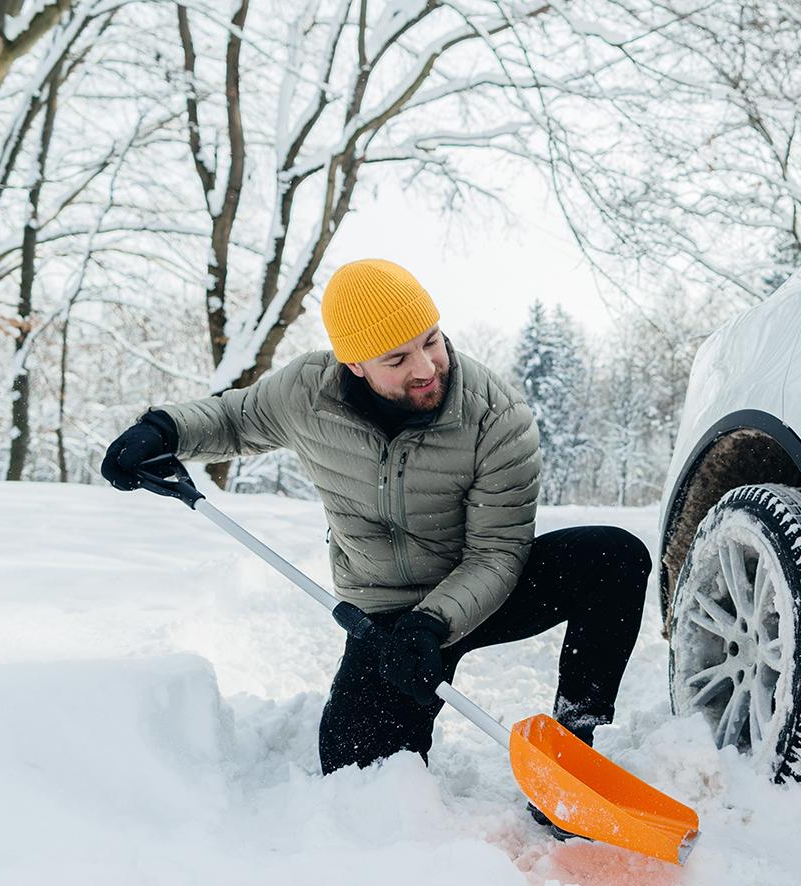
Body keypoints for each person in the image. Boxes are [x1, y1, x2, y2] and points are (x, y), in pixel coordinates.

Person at [100, 258, 649, 781]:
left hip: (484, 587)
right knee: (359, 775)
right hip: (385, 614)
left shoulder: (497, 418)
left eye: (430, 341)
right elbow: (234, 417)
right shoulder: (306, 393)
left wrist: (434, 622)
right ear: (353, 364)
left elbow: (497, 552)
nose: (425, 368)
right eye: (396, 359)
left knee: (614, 557)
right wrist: (164, 429)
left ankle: (576, 745)